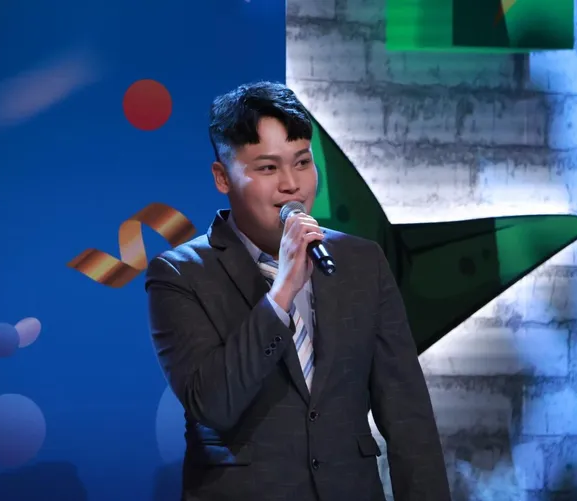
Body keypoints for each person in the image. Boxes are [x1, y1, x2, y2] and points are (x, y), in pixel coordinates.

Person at [145, 81, 451, 501]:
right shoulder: (180, 274)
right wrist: (282, 291)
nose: (292, 184)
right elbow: (214, 404)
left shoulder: (361, 261)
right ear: (223, 177)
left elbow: (407, 414)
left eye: (302, 162)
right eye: (268, 168)